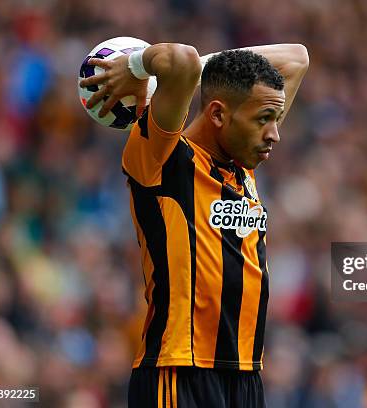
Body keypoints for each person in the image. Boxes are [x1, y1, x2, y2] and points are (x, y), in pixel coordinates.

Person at [79, 42, 309, 407]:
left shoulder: (242, 164)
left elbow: (297, 57)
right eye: (264, 119)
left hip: (245, 376)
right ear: (217, 114)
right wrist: (138, 67)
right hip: (179, 372)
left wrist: (219, 76)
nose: (274, 133)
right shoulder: (163, 159)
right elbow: (181, 60)